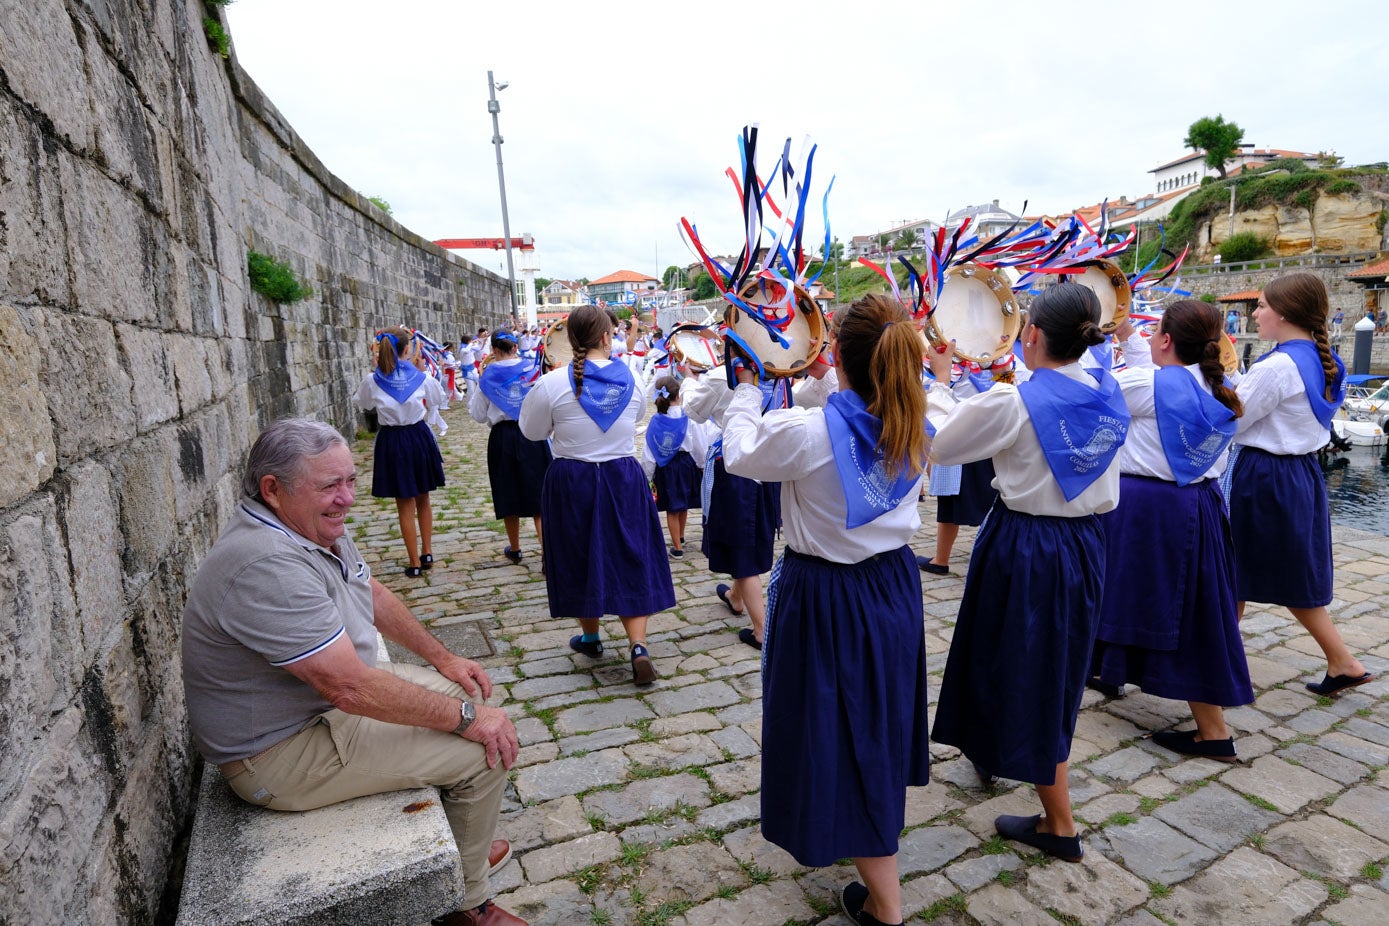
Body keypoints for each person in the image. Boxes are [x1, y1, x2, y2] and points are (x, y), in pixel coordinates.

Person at [181, 418, 525, 926]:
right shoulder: (265, 563)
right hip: (278, 753)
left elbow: (371, 593)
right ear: (273, 490)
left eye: (348, 481)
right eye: (329, 485)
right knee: (483, 750)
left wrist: (444, 659)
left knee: (464, 693)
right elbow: (349, 688)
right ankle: (466, 907)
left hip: (320, 710)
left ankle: (460, 852)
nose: (347, 498)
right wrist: (467, 719)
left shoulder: (306, 527)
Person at [723, 294, 931, 926]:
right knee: (875, 725)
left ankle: (887, 907)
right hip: (893, 586)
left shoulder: (807, 435)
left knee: (843, 736)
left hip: (827, 598)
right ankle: (874, 880)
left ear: (835, 356)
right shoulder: (918, 416)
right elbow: (848, 408)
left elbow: (739, 451)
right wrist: (829, 375)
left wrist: (745, 388)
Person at [928, 284, 1129, 863]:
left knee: (1025, 665)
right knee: (1036, 662)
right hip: (1085, 543)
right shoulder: (1108, 391)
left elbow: (941, 447)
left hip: (1026, 544)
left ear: (1031, 335)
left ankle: (1059, 823)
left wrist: (942, 381)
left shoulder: (1013, 403)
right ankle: (993, 752)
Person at [1089, 303, 1253, 760]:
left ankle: (1214, 732)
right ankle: (1108, 670)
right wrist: (1124, 330)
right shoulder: (1220, 386)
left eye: (1154, 331)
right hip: (1198, 505)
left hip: (1147, 510)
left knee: (1174, 610)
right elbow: (1153, 374)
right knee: (1188, 607)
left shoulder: (1147, 386)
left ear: (1165, 341)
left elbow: (1088, 391)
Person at [1230, 273, 1373, 695]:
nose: (1254, 314)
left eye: (1260, 306)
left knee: (1233, 569)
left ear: (1285, 313)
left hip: (1263, 474)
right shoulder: (1323, 359)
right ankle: (1341, 660)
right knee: (1284, 572)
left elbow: (1236, 421)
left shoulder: (1276, 366)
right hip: (1302, 474)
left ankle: (1215, 666)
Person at [519, 304, 676, 685]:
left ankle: (591, 636)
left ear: (570, 340)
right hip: (622, 476)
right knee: (631, 554)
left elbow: (531, 431)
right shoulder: (634, 382)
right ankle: (638, 645)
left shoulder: (552, 383)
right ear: (608, 337)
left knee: (577, 554)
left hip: (573, 479)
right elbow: (637, 419)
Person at [685, 356, 802, 650]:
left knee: (742, 548)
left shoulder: (716, 376)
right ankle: (736, 597)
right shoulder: (779, 371)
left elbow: (694, 412)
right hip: (770, 465)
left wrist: (689, 381)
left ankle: (762, 628)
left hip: (736, 467)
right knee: (751, 537)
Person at [355, 327, 446, 577]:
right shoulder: (420, 378)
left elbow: (363, 404)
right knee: (423, 498)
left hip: (393, 440)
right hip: (418, 436)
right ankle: (427, 551)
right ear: (408, 349)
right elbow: (439, 397)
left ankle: (414, 562)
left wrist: (377, 370)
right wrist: (422, 370)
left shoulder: (372, 379)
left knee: (404, 504)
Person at [469, 331, 551, 564]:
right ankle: (546, 553)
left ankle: (514, 548)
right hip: (532, 432)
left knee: (507, 491)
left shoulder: (487, 376)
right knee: (539, 495)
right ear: (516, 348)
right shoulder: (532, 370)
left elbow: (477, 414)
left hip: (502, 436)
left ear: (493, 350)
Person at [640, 375, 711, 558]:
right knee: (683, 504)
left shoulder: (656, 421)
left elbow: (649, 450)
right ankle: (680, 536)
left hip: (666, 466)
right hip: (686, 464)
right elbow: (698, 443)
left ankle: (677, 547)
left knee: (672, 506)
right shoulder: (688, 417)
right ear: (678, 395)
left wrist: (648, 476)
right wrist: (702, 464)